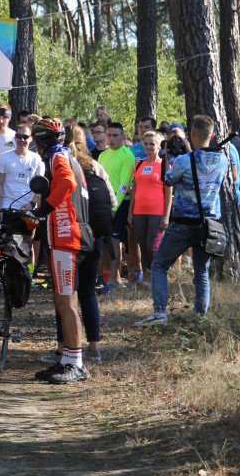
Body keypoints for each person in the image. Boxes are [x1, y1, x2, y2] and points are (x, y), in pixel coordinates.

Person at [134, 115, 231, 327]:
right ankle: (200, 317)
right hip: (209, 224)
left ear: (191, 134)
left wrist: (170, 158)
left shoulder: (184, 161)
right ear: (212, 135)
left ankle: (160, 313)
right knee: (202, 272)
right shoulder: (223, 160)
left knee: (159, 265)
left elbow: (168, 180)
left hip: (184, 222)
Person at [26, 118, 94, 384]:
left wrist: (44, 210)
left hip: (67, 238)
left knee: (66, 303)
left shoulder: (57, 158)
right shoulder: (65, 155)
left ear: (40, 142)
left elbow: (67, 184)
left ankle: (76, 362)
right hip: (67, 236)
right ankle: (67, 358)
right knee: (63, 301)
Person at [127, 131, 172, 280]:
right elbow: (135, 190)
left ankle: (157, 276)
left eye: (152, 143)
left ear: (159, 146)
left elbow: (169, 192)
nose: (149, 146)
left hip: (157, 212)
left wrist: (166, 216)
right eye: (146, 143)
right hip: (139, 212)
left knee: (152, 247)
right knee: (142, 246)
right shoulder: (139, 164)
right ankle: (147, 278)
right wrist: (130, 213)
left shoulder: (165, 165)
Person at [98, 122, 135, 291]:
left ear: (121, 136)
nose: (111, 139)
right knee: (104, 241)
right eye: (109, 135)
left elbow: (124, 185)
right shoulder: (102, 155)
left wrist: (115, 207)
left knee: (114, 241)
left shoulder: (127, 155)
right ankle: (109, 276)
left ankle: (114, 278)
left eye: (115, 136)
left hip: (119, 203)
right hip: (103, 202)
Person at [0, 125, 44, 213]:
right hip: (7, 206)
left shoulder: (37, 159)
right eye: (19, 136)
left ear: (31, 139)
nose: (22, 140)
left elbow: (39, 188)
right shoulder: (3, 157)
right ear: (15, 137)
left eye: (25, 137)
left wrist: (32, 204)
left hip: (28, 209)